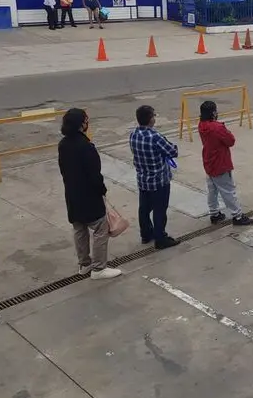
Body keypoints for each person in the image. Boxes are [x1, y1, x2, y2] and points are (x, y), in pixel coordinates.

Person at [58, 108, 122, 279]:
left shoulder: (63, 144)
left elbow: (63, 170)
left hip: (72, 195)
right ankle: (99, 268)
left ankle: (84, 264)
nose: (88, 123)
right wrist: (102, 190)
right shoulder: (86, 147)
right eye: (86, 120)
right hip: (89, 196)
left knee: (79, 229)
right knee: (101, 228)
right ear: (81, 124)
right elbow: (95, 175)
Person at [129, 105, 180, 249]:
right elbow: (172, 151)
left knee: (144, 209)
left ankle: (146, 234)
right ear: (150, 119)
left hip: (143, 179)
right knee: (159, 210)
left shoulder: (134, 134)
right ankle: (160, 238)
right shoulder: (155, 137)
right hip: (159, 181)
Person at [198, 101, 253, 226]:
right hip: (220, 163)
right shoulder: (217, 127)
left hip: (209, 162)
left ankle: (214, 213)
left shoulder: (201, 125)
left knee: (212, 190)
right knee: (228, 190)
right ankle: (237, 216)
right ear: (213, 113)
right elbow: (230, 141)